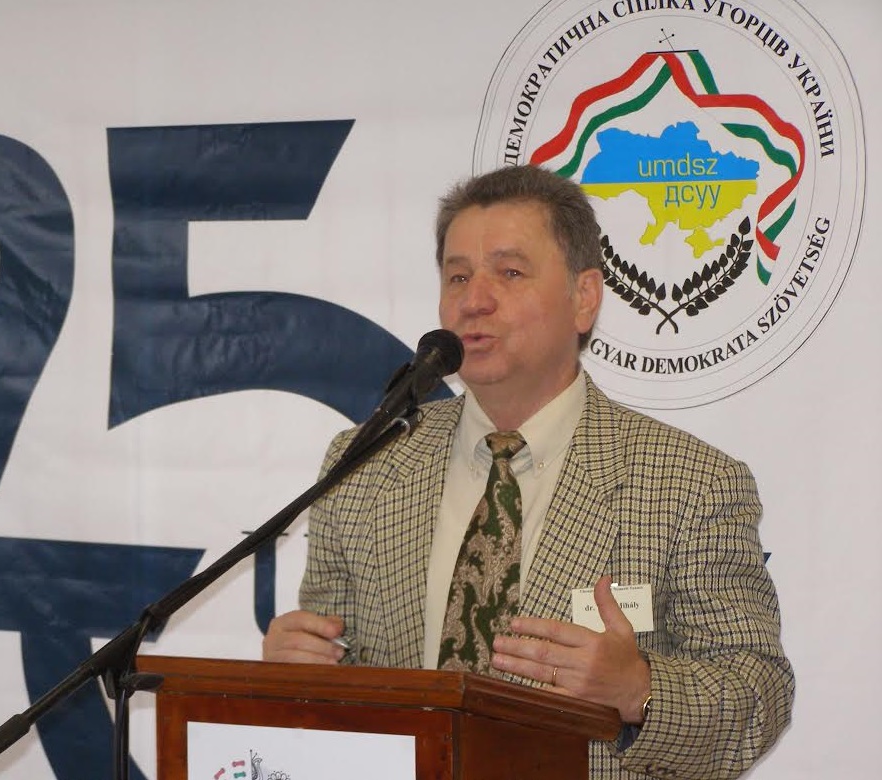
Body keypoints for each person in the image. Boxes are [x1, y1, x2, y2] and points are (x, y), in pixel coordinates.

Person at [262, 165, 794, 780]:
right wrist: (293, 680)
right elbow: (334, 678)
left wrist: (638, 690)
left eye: (510, 272)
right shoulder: (365, 464)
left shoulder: (691, 483)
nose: (474, 300)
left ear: (584, 298)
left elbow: (758, 698)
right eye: (458, 276)